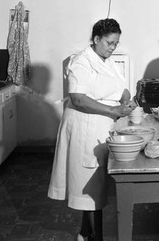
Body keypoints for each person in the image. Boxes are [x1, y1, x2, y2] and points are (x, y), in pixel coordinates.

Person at [48, 18, 134, 241]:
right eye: (109, 43)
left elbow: (122, 88)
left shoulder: (108, 61)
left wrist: (126, 100)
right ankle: (93, 236)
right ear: (96, 39)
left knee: (96, 186)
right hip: (85, 127)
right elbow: (78, 99)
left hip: (101, 126)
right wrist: (112, 110)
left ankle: (86, 233)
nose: (112, 48)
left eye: (115, 43)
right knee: (90, 187)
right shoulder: (81, 61)